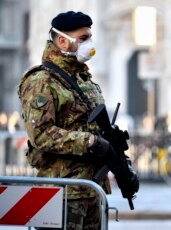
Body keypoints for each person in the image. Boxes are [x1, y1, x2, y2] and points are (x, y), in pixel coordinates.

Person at [18, 11, 112, 229]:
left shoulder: (83, 79)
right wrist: (89, 142)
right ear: (62, 40)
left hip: (91, 190)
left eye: (89, 37)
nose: (89, 44)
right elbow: (40, 134)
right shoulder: (42, 80)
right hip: (62, 193)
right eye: (83, 39)